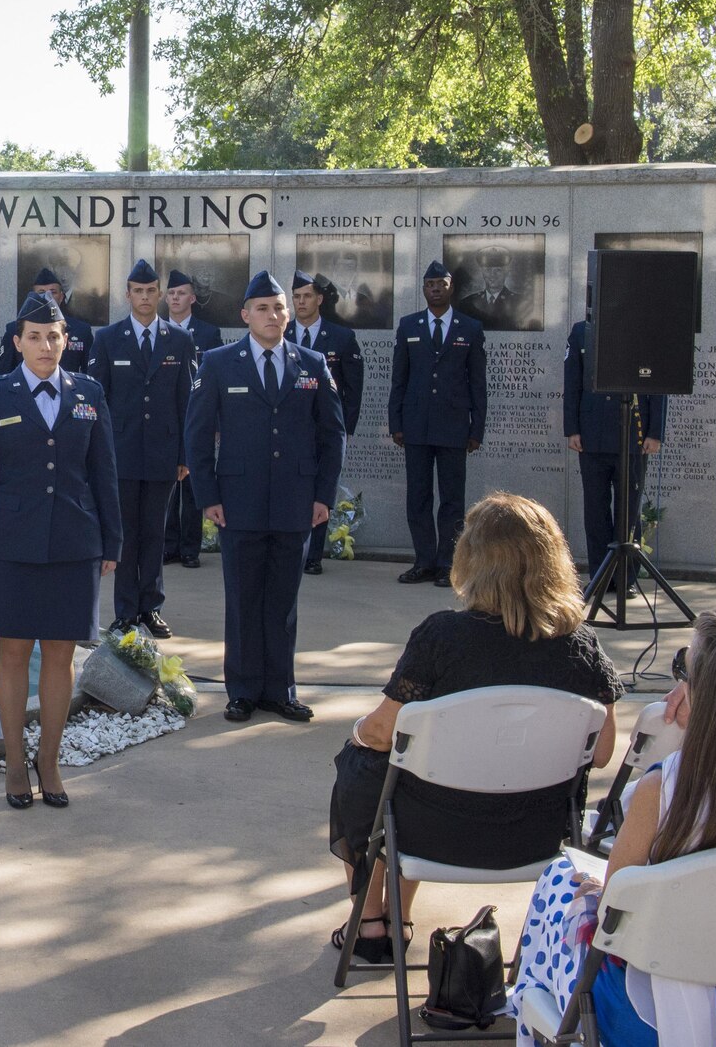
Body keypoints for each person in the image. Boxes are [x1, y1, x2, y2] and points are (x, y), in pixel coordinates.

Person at [326, 492, 621, 964]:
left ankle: (373, 922)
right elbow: (602, 751)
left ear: (471, 559)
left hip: (433, 831)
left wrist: (359, 733)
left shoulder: (442, 636)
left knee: (365, 762)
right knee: (399, 770)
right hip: (539, 832)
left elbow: (384, 732)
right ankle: (393, 917)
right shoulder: (580, 648)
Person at [510, 605, 716, 1045]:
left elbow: (613, 925)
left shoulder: (664, 791)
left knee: (561, 880)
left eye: (685, 672)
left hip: (659, 1021)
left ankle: (527, 1010)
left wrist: (599, 894)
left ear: (704, 699)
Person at [0, 292, 121, 811]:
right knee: (12, 653)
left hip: (74, 541)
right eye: (35, 337)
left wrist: (111, 541)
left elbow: (105, 474)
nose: (45, 345)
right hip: (10, 542)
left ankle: (48, 761)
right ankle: (13, 762)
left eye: (54, 337)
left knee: (60, 654)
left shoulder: (89, 392)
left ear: (66, 341)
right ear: (18, 342)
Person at [184, 270, 345, 723]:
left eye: (278, 308)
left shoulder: (312, 364)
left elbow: (332, 435)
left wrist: (324, 496)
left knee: (283, 602)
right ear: (245, 315)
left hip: (296, 502)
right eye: (262, 308)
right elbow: (196, 436)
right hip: (237, 501)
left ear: (289, 314)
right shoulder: (218, 362)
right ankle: (242, 690)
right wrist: (207, 495)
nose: (272, 315)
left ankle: (280, 688)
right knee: (241, 598)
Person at [91, 259, 194, 639]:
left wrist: (185, 455)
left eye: (152, 291)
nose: (146, 297)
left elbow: (187, 400)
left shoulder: (179, 341)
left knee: (155, 531)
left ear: (161, 295)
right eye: (139, 291)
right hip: (121, 452)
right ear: (128, 294)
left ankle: (151, 607)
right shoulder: (108, 339)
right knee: (125, 534)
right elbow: (98, 402)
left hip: (164, 454)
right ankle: (125, 611)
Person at [388, 260, 487, 587]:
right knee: (418, 497)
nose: (435, 289)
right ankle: (424, 561)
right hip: (415, 426)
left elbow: (478, 384)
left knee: (452, 500)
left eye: (441, 284)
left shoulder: (470, 328)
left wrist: (476, 429)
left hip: (454, 426)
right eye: (430, 284)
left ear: (450, 288)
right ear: (424, 289)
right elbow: (398, 379)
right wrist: (396, 422)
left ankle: (448, 564)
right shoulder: (409, 325)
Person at [563, 317, 665, 581]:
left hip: (632, 435)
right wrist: (572, 428)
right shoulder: (581, 331)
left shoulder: (643, 329)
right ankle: (600, 575)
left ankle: (626, 577)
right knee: (595, 510)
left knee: (628, 510)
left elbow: (656, 385)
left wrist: (654, 432)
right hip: (592, 435)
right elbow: (572, 383)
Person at [289, 269, 363, 575]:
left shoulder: (342, 337)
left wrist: (343, 430)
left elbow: (353, 389)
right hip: (289, 430)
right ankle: (292, 547)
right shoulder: (281, 335)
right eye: (296, 297)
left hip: (324, 430)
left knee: (321, 489)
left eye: (307, 296)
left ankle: (314, 555)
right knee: (290, 487)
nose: (301, 302)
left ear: (319, 299)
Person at [162, 270, 222, 570]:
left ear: (192, 298)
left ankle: (190, 549)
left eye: (181, 293)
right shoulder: (158, 330)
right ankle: (169, 546)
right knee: (169, 485)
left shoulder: (209, 333)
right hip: (166, 419)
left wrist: (215, 424)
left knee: (194, 483)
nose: (175, 298)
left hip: (198, 417)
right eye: (171, 294)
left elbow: (216, 381)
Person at [0, 266, 94, 374]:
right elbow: (4, 372)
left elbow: (90, 372)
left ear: (61, 297)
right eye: (41, 292)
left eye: (53, 292)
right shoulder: (13, 329)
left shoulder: (81, 330)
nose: (47, 296)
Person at [457, 244, 524, 331]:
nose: (492, 275)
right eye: (488, 270)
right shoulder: (467, 304)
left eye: (498, 270)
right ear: (482, 272)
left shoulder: (519, 302)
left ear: (506, 272)